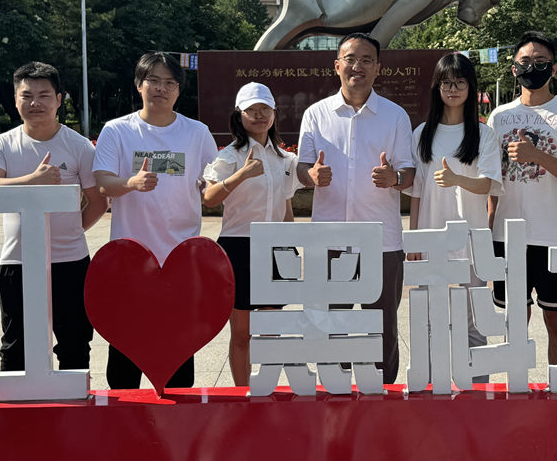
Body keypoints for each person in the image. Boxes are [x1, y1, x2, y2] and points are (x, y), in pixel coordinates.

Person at [93, 52, 218, 390]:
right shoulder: (118, 130)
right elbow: (103, 183)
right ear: (139, 85)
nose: (161, 88)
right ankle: (125, 414)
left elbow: (212, 182)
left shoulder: (197, 133)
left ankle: (175, 416)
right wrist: (131, 183)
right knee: (125, 349)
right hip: (130, 258)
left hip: (180, 258)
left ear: (179, 89)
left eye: (170, 83)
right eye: (154, 81)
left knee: (178, 350)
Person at [297, 33, 415, 384]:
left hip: (381, 242)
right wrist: (311, 176)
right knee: (331, 325)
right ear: (337, 66)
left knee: (382, 326)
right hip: (330, 240)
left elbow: (408, 173)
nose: (357, 66)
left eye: (366, 60)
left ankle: (384, 399)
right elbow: (302, 167)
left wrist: (394, 178)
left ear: (378, 68)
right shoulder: (316, 114)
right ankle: (335, 400)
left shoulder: (394, 116)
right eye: (350, 59)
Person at [0, 61, 108, 372]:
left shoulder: (79, 147)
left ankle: (74, 403)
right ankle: (16, 404)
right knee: (15, 346)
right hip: (18, 260)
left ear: (59, 100)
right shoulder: (2, 144)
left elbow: (98, 202)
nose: (35, 103)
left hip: (70, 261)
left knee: (75, 344)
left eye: (44, 95)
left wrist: (71, 231)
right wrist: (31, 180)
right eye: (26, 96)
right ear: (15, 100)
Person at [487, 32, 557, 366]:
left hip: (554, 236)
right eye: (525, 61)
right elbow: (492, 182)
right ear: (513, 68)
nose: (531, 67)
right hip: (507, 235)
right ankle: (516, 387)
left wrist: (537, 155)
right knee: (514, 323)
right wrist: (487, 230)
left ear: (554, 69)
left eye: (540, 62)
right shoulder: (499, 117)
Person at [408, 53, 502, 382]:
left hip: (470, 241)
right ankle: (430, 392)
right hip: (431, 240)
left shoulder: (483, 134)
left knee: (473, 323)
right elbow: (417, 193)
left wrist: (457, 179)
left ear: (471, 87)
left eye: (460, 82)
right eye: (446, 82)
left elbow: (488, 184)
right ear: (437, 87)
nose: (453, 89)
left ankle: (476, 396)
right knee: (429, 321)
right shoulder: (423, 133)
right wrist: (414, 240)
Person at [202, 82, 301, 387]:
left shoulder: (285, 159)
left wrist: (292, 250)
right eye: (251, 110)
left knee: (271, 330)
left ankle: (266, 390)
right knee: (242, 332)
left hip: (276, 249)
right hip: (238, 248)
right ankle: (243, 393)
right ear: (239, 115)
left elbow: (286, 208)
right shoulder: (230, 156)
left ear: (274, 113)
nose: (259, 115)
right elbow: (209, 198)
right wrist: (242, 174)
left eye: (265, 109)